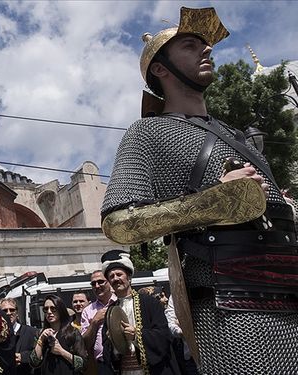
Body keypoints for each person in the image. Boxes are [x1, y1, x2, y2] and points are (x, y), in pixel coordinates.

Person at [100, 6, 298, 373]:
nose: (206, 50)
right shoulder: (147, 134)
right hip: (233, 307)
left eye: (206, 45)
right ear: (160, 69)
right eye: (190, 46)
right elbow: (119, 223)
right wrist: (215, 202)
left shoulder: (239, 137)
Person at [98, 251, 178, 375]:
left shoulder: (149, 302)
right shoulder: (110, 310)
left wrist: (136, 335)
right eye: (111, 276)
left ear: (129, 277)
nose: (115, 279)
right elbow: (106, 349)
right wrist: (112, 341)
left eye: (119, 274)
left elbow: (164, 336)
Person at [30, 295, 86, 374]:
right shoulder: (40, 333)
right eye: (46, 309)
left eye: (53, 308)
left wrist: (61, 351)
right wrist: (41, 339)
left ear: (60, 310)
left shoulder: (72, 332)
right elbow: (34, 362)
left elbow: (83, 364)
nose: (49, 312)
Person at [80, 270, 116, 374]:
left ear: (109, 282)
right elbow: (85, 343)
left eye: (100, 282)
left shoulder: (120, 302)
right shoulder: (88, 311)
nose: (97, 286)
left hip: (125, 360)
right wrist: (94, 322)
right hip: (103, 364)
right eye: (93, 283)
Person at [0, 298, 37, 375]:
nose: (9, 313)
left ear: (17, 313)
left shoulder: (31, 332)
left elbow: (40, 354)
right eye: (5, 311)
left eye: (12, 310)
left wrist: (22, 357)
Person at [164, 298, 198, 375]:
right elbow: (171, 322)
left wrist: (185, 323)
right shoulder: (176, 294)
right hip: (191, 356)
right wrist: (184, 330)